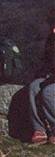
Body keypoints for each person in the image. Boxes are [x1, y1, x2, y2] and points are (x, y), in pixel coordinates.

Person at [28, 8, 55, 145]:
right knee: (33, 87)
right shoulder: (51, 40)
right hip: (51, 77)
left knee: (48, 92)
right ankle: (39, 130)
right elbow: (47, 62)